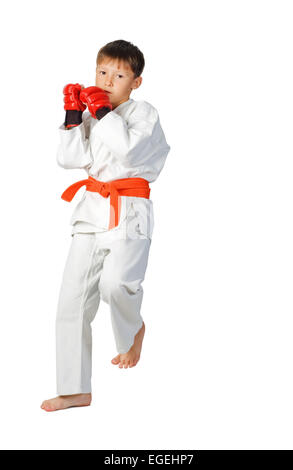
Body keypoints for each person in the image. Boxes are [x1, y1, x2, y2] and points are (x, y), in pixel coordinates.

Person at [41, 39, 171, 412]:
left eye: (119, 74)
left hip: (128, 208)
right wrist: (71, 115)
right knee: (72, 300)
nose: (108, 80)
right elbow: (69, 158)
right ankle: (74, 388)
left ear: (136, 82)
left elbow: (128, 150)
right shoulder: (91, 113)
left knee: (116, 285)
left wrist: (100, 113)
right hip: (91, 208)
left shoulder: (143, 113)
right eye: (102, 72)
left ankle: (133, 330)